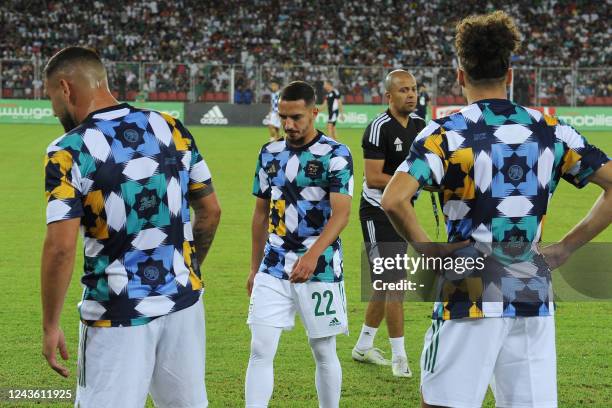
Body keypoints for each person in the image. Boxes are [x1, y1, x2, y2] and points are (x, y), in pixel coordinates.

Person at [381, 11, 610, 408]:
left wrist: (428, 250)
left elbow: (394, 199)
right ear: (509, 72)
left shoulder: (444, 133)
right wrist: (565, 248)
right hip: (531, 289)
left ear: (459, 75)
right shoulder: (552, 129)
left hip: (468, 288)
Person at [40, 46, 221, 408]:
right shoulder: (170, 127)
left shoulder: (68, 150)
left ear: (65, 87)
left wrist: (50, 326)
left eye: (50, 98)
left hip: (116, 314)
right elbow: (211, 211)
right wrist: (187, 268)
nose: (53, 108)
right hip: (183, 305)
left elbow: (60, 248)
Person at [245, 81, 353, 408]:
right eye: (283, 117)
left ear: (314, 113)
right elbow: (260, 213)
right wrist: (254, 268)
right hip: (274, 263)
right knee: (260, 349)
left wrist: (312, 256)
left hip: (320, 267)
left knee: (323, 351)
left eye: (296, 117)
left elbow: (341, 215)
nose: (288, 125)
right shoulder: (269, 153)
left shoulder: (336, 153)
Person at [352, 69, 425, 378]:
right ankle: (400, 359)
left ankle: (363, 346)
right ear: (389, 96)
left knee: (385, 284)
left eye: (413, 89)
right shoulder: (378, 128)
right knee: (394, 282)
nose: (411, 95)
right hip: (377, 212)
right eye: (403, 90)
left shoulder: (422, 126)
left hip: (403, 212)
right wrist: (413, 183)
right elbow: (373, 177)